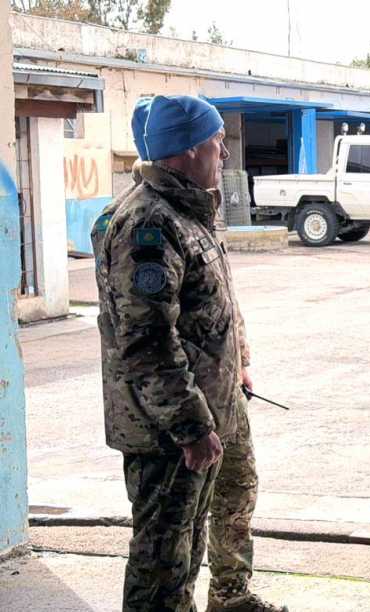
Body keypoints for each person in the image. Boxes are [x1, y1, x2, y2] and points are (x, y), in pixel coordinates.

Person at [94, 95, 283, 612]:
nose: (225, 153)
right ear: (190, 148)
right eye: (218, 142)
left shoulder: (187, 210)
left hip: (195, 416)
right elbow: (148, 342)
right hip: (165, 431)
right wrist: (191, 427)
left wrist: (234, 370)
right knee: (162, 565)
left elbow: (212, 313)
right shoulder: (149, 225)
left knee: (183, 554)